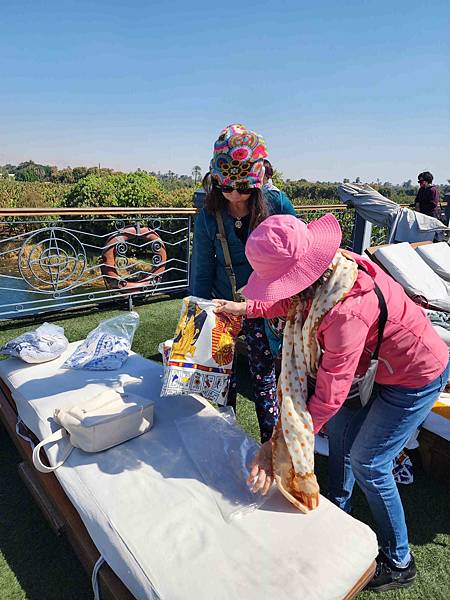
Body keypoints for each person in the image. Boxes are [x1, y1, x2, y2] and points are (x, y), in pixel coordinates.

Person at [214, 213, 449, 592]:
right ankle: (338, 507)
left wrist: (278, 444)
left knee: (369, 462)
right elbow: (286, 302)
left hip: (415, 374)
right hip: (377, 368)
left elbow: (328, 397)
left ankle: (400, 559)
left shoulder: (344, 312)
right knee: (339, 434)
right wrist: (248, 309)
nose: (276, 293)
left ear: (303, 276)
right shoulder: (327, 275)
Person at [191, 123, 297, 442]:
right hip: (223, 304)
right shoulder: (209, 214)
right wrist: (197, 316)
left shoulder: (277, 204)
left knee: (264, 382)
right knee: (222, 381)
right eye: (226, 188)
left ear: (259, 181)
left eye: (243, 188)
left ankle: (271, 448)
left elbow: (299, 251)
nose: (235, 196)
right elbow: (202, 269)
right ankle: (227, 442)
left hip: (261, 308)